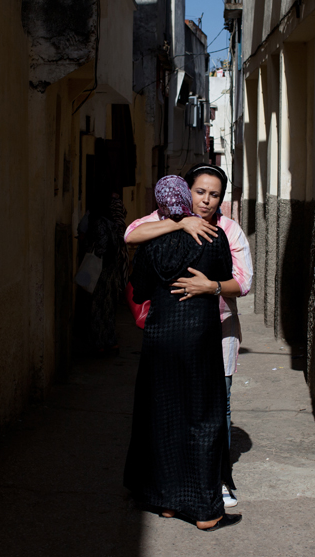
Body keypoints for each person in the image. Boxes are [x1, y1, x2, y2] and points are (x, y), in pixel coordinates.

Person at [125, 164, 253, 509]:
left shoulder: (227, 231)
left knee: (215, 410)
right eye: (200, 192)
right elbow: (130, 234)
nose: (207, 201)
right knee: (183, 410)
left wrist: (209, 287)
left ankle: (218, 480)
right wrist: (179, 222)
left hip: (217, 333)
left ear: (222, 199)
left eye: (214, 195)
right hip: (180, 335)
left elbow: (242, 282)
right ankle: (189, 486)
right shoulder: (164, 221)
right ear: (187, 192)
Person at [80, 191, 128, 355]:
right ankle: (110, 342)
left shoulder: (99, 222)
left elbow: (101, 247)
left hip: (101, 271)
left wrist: (86, 242)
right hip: (112, 270)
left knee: (96, 308)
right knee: (108, 309)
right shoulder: (113, 223)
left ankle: (99, 344)